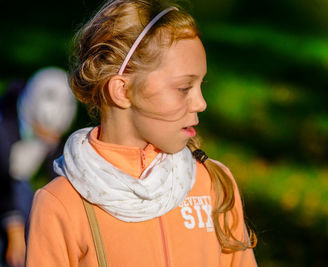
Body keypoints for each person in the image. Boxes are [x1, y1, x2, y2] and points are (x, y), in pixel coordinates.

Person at [25, 0, 257, 266]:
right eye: (184, 88)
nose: (201, 103)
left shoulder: (213, 184)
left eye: (200, 85)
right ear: (122, 91)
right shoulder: (62, 204)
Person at [0, 67, 76, 267]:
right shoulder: (3, 129)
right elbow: (2, 182)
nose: (51, 139)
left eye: (56, 134)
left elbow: (57, 176)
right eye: (46, 132)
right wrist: (14, 229)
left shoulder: (48, 132)